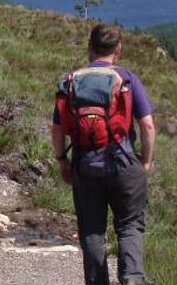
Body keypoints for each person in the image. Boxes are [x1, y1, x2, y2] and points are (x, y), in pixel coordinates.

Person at [51, 24, 156, 285]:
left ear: (90, 47)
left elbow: (57, 129)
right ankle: (132, 278)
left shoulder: (71, 81)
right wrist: (145, 161)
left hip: (85, 165)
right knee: (129, 227)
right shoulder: (127, 79)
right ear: (118, 49)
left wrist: (62, 161)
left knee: (92, 232)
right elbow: (147, 125)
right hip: (124, 163)